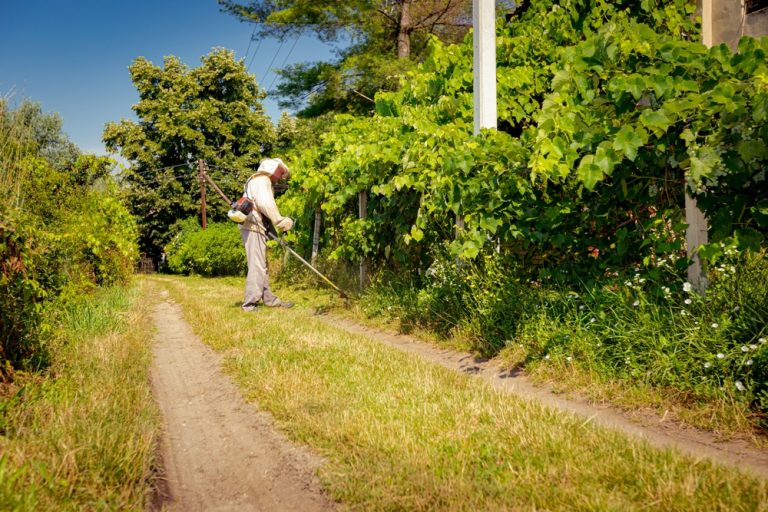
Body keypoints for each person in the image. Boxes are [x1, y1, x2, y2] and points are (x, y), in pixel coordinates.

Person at [239, 157, 294, 311]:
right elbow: (265, 204)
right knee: (257, 265)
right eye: (280, 173)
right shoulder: (262, 180)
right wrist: (280, 220)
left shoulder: (256, 180)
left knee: (261, 265)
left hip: (254, 225)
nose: (281, 177)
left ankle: (270, 299)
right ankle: (250, 304)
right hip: (253, 225)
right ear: (274, 169)